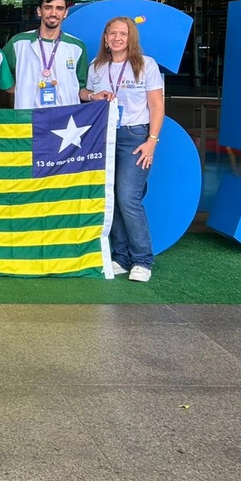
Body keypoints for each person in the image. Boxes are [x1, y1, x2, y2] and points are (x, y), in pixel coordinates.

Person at [80, 16, 164, 283]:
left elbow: (156, 105)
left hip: (135, 135)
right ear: (105, 37)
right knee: (111, 197)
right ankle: (120, 257)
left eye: (122, 34)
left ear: (131, 38)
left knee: (128, 197)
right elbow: (84, 94)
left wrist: (152, 140)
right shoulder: (97, 65)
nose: (117, 38)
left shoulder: (145, 64)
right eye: (112, 33)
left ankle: (142, 259)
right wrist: (95, 95)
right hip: (104, 136)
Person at [4, 0, 89, 109]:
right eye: (48, 7)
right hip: (29, 119)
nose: (53, 13)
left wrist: (94, 96)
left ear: (65, 13)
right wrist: (21, 93)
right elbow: (2, 77)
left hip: (65, 120)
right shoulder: (18, 42)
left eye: (59, 8)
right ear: (39, 11)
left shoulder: (77, 46)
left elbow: (81, 88)